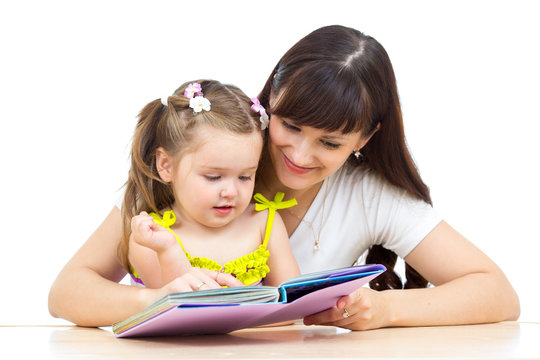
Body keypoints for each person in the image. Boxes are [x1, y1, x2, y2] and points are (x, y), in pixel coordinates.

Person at [49, 26, 520, 330]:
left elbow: (496, 293)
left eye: (330, 143)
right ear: (272, 97)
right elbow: (67, 292)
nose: (298, 153)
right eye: (290, 126)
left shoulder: (368, 196)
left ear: (365, 137)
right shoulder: (203, 157)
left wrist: (385, 309)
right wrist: (162, 301)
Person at [48, 79, 300, 326]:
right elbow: (178, 310)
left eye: (245, 176)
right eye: (213, 177)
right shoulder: (152, 234)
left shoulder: (263, 223)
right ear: (166, 165)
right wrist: (168, 250)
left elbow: (293, 307)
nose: (231, 191)